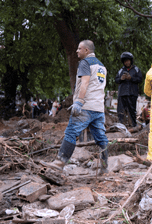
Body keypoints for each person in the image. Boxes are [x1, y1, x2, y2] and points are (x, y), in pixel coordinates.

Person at [43, 40, 109, 174]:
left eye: (79, 49)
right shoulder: (102, 66)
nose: (77, 51)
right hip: (98, 108)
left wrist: (79, 101)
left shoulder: (85, 63)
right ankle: (104, 166)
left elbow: (85, 84)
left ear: (86, 51)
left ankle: (59, 162)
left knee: (71, 132)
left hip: (86, 106)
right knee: (101, 137)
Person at [114, 52, 143, 127]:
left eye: (128, 60)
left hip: (132, 93)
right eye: (125, 61)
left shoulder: (136, 69)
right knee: (120, 110)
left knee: (132, 110)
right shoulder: (121, 70)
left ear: (131, 61)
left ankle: (132, 126)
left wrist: (131, 78)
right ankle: (121, 126)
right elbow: (116, 80)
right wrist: (121, 79)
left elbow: (140, 79)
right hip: (122, 93)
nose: (126, 62)